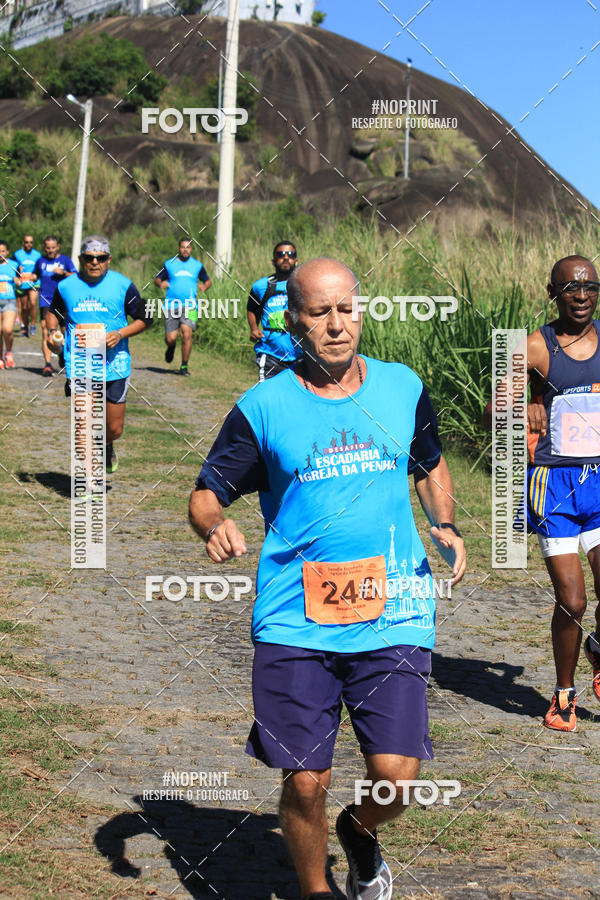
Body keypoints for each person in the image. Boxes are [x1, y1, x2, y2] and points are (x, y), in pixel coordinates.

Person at [190, 257, 466, 900]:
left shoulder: (401, 387)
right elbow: (207, 493)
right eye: (320, 313)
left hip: (393, 607)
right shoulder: (263, 407)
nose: (337, 325)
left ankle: (360, 828)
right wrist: (212, 527)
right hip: (295, 618)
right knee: (304, 781)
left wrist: (445, 525)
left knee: (396, 780)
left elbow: (429, 464)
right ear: (293, 321)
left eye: (347, 308)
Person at [487, 255, 600, 732]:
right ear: (552, 291)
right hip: (552, 484)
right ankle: (563, 694)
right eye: (570, 288)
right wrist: (524, 406)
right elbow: (494, 409)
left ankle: (598, 650)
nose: (581, 295)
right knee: (573, 601)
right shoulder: (534, 345)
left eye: (590, 286)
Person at [50, 235, 150, 475]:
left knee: (114, 428)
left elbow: (146, 318)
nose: (95, 262)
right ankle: (87, 480)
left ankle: (106, 445)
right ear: (81, 259)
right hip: (80, 364)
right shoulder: (66, 286)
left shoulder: (123, 285)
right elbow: (54, 311)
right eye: (89, 258)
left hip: (115, 365)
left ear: (109, 259)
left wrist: (120, 333)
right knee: (84, 424)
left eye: (101, 258)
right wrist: (53, 331)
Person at [154, 238, 211, 377]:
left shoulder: (197, 265)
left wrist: (204, 286)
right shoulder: (169, 264)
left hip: (191, 306)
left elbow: (207, 280)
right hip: (171, 305)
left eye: (188, 247)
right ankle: (171, 347)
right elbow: (157, 278)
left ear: (191, 249)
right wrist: (161, 283)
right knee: (171, 338)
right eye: (183, 247)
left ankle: (184, 365)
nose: (186, 250)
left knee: (187, 334)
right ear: (179, 248)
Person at [247, 240, 303, 381]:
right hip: (270, 353)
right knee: (266, 394)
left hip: (300, 355)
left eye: (290, 254)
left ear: (296, 260)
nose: (285, 257)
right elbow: (251, 309)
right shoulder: (261, 286)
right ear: (273, 260)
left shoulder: (304, 284)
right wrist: (254, 328)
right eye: (281, 254)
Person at [33, 235, 76, 376]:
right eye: (48, 248)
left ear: (57, 247)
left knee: (65, 332)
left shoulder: (65, 260)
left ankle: (62, 352)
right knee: (46, 330)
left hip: (63, 301)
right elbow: (35, 275)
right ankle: (47, 365)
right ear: (44, 248)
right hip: (45, 299)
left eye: (53, 247)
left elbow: (76, 277)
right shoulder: (40, 261)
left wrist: (63, 273)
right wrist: (26, 276)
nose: (50, 250)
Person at [13, 234, 41, 337]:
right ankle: (25, 326)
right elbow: (12, 267)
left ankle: (33, 325)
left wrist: (36, 275)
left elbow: (40, 268)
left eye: (31, 242)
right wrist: (17, 272)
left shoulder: (37, 255)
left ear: (33, 243)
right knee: (24, 307)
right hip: (23, 283)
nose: (29, 244)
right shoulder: (17, 254)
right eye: (26, 242)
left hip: (34, 283)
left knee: (33, 303)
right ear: (23, 243)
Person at [0, 240, 22, 369]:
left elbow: (20, 281)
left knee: (7, 329)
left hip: (9, 301)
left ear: (7, 252)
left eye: (2, 251)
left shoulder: (13, 265)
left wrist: (18, 282)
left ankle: (8, 352)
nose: (0, 253)